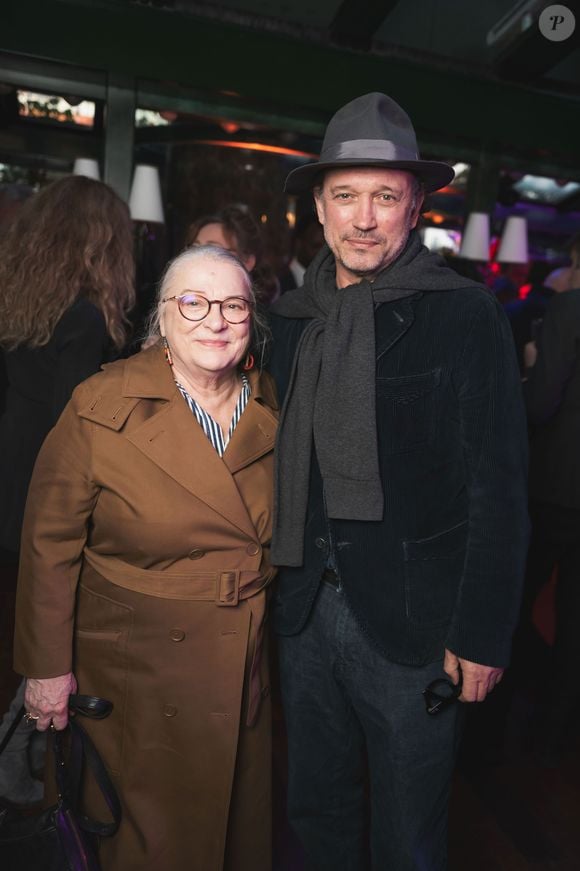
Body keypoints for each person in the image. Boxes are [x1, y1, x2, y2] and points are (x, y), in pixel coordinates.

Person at [267, 92, 529, 870]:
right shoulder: (290, 318)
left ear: (415, 206)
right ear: (319, 205)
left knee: (409, 834)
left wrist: (481, 633)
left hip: (413, 626)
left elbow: (500, 487)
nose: (364, 217)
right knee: (316, 807)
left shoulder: (465, 316)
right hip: (306, 604)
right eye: (346, 195)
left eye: (385, 196)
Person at [13, 245, 278, 870]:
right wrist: (46, 671)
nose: (214, 320)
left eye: (233, 305)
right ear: (160, 319)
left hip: (239, 664)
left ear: (250, 321)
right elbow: (48, 543)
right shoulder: (100, 404)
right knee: (143, 839)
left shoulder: (272, 406)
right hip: (135, 669)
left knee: (230, 833)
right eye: (193, 303)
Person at [0, 175, 134, 805]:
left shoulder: (16, 304)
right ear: (101, 244)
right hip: (37, 502)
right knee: (43, 643)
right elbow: (74, 436)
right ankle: (20, 777)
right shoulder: (83, 318)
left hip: (6, 482)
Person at [521, 274, 580, 763]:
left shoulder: (569, 309)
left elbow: (541, 404)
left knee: (516, 603)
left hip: (558, 486)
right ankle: (554, 736)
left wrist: (531, 367)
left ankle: (495, 734)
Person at [186, 205, 280, 305]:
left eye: (212, 250)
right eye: (195, 248)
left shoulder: (254, 316)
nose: (198, 257)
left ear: (247, 261)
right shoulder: (179, 300)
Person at [278, 213, 325, 294]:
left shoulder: (328, 282)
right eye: (316, 246)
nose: (322, 253)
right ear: (298, 244)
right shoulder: (280, 280)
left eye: (325, 248)